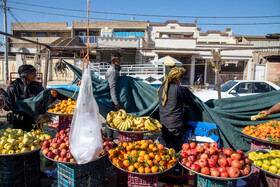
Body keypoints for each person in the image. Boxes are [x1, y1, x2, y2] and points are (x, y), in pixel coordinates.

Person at [157, 67, 192, 152]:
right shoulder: (178, 89)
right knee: (177, 148)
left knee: (166, 147)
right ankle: (176, 164)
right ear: (175, 79)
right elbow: (188, 101)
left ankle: (169, 164)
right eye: (180, 78)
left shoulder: (161, 89)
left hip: (164, 123)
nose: (181, 80)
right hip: (175, 124)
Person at [0, 64, 44, 131]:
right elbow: (8, 107)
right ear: (25, 75)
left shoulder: (37, 87)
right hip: (19, 121)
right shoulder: (13, 87)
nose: (35, 75)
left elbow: (43, 100)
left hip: (34, 120)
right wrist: (4, 100)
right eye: (33, 73)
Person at [105, 51, 122, 140]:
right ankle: (109, 139)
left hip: (111, 97)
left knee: (110, 118)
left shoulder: (115, 70)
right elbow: (112, 88)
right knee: (111, 119)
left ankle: (106, 136)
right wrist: (116, 103)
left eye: (120, 58)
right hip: (111, 98)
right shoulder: (113, 72)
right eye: (118, 59)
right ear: (113, 59)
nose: (120, 61)